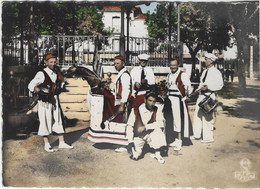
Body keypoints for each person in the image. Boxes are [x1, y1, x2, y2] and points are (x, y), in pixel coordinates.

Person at [28, 53, 73, 152]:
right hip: (45, 101)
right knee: (45, 120)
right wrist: (36, 89)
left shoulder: (56, 72)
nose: (53, 64)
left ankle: (61, 142)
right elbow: (31, 85)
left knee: (58, 119)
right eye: (51, 62)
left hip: (54, 98)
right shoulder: (41, 73)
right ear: (46, 62)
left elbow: (60, 83)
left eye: (54, 62)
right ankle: (46, 144)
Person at [191, 53, 224, 143]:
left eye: (206, 59)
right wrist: (198, 89)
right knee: (197, 115)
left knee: (207, 116)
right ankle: (196, 134)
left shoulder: (216, 72)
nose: (204, 61)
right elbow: (201, 83)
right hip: (201, 95)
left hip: (209, 96)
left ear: (211, 61)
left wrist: (208, 87)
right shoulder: (205, 71)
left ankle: (208, 137)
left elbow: (220, 85)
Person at [126, 92, 167, 164]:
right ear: (145, 100)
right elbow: (129, 126)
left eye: (154, 101)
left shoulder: (157, 109)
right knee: (136, 155)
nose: (152, 104)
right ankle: (136, 150)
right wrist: (130, 141)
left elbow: (161, 123)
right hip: (139, 135)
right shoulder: (135, 110)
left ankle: (157, 153)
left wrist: (146, 127)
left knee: (158, 130)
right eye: (150, 101)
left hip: (150, 134)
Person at [166, 57, 193, 151]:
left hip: (178, 100)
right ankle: (173, 139)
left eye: (174, 65)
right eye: (171, 65)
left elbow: (188, 87)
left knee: (178, 120)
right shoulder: (169, 75)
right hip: (170, 99)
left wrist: (186, 96)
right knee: (171, 119)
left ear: (178, 65)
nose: (173, 67)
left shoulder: (183, 75)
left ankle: (180, 140)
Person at [102, 55, 132, 123]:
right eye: (114, 64)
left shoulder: (124, 75)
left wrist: (122, 105)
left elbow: (126, 91)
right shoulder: (119, 74)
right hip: (116, 98)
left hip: (120, 101)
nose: (115, 65)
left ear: (123, 63)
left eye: (117, 63)